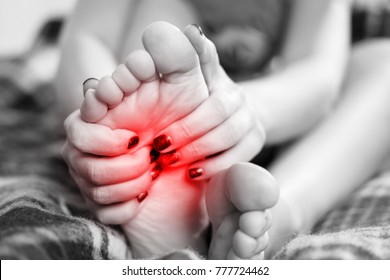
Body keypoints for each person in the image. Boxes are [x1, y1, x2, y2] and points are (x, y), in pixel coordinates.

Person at [57, 0, 390, 259]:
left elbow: (317, 76)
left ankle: (276, 211)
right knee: (163, 19)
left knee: (383, 66)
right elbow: (87, 40)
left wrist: (242, 110)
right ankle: (179, 207)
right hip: (158, 138)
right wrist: (104, 124)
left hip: (274, 110)